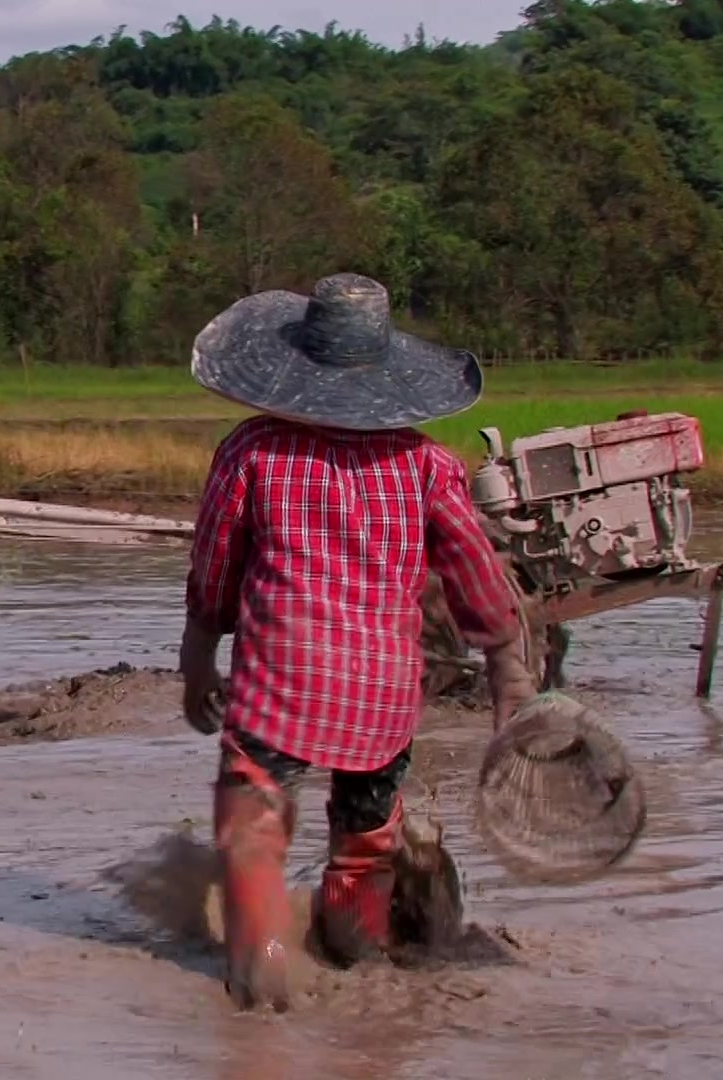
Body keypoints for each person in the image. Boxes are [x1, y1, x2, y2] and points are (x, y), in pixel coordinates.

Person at [177, 272, 537, 1013]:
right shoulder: (427, 466)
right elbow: (475, 569)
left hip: (279, 676)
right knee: (366, 829)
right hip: (380, 691)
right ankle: (354, 945)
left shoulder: (251, 453)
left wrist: (196, 656)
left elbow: (215, 566)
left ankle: (263, 961)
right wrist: (508, 667)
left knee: (254, 819)